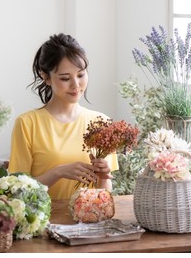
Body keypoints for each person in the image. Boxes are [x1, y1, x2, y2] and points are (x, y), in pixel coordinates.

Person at [8, 33, 118, 200]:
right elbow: (17, 192)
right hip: (45, 222)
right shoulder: (27, 123)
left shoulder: (102, 123)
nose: (76, 85)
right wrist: (58, 172)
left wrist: (103, 177)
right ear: (46, 77)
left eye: (81, 75)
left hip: (89, 222)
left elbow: (105, 195)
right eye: (65, 78)